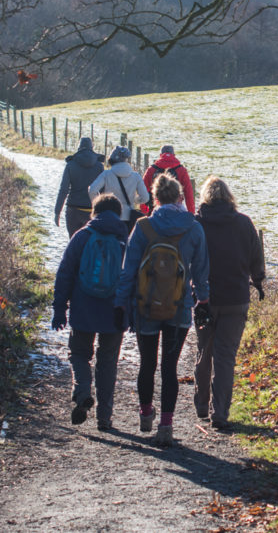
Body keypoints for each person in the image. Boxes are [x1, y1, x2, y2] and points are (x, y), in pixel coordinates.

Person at [115, 174, 209, 446]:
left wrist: (122, 302)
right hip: (179, 307)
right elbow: (201, 270)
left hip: (145, 305)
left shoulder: (143, 227)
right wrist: (203, 299)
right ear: (180, 197)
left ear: (154, 198)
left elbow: (128, 270)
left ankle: (145, 414)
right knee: (170, 367)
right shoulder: (193, 227)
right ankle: (166, 426)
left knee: (147, 363)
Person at [51, 193, 129, 431]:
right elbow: (133, 278)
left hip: (83, 308)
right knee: (108, 363)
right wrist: (131, 311)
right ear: (118, 214)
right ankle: (104, 417)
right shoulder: (125, 239)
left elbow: (65, 273)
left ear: (94, 212)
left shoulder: (82, 236)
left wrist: (60, 309)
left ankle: (83, 390)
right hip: (114, 310)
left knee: (78, 354)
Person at [193, 176, 265, 431]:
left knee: (204, 352)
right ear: (229, 196)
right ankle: (220, 412)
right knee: (225, 357)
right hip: (236, 299)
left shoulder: (197, 223)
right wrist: (258, 281)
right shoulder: (244, 223)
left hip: (204, 300)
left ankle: (202, 405)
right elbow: (256, 257)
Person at [89, 145, 149, 233]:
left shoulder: (106, 174)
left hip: (110, 216)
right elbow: (145, 198)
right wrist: (134, 199)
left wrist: (100, 204)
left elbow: (92, 190)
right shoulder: (136, 176)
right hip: (129, 217)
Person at [54, 137, 106, 237]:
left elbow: (63, 190)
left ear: (78, 148)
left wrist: (57, 212)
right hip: (92, 210)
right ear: (92, 147)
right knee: (90, 242)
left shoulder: (70, 164)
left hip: (73, 210)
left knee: (74, 242)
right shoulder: (99, 166)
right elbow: (104, 191)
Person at [140, 145, 195, 215]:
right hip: (176, 211)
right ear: (174, 155)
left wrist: (144, 209)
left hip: (155, 210)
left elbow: (143, 191)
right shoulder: (181, 170)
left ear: (160, 155)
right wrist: (191, 213)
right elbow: (189, 194)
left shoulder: (151, 169)